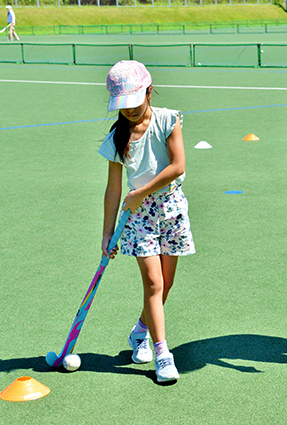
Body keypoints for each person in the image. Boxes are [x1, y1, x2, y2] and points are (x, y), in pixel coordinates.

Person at [100, 60, 195, 383]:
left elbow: (178, 166)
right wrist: (107, 233)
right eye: (122, 106)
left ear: (149, 92)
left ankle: (140, 330)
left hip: (171, 210)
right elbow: (113, 191)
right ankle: (163, 353)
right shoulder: (116, 138)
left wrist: (141, 191)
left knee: (165, 285)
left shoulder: (168, 120)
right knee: (153, 284)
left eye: (134, 103)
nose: (128, 110)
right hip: (138, 218)